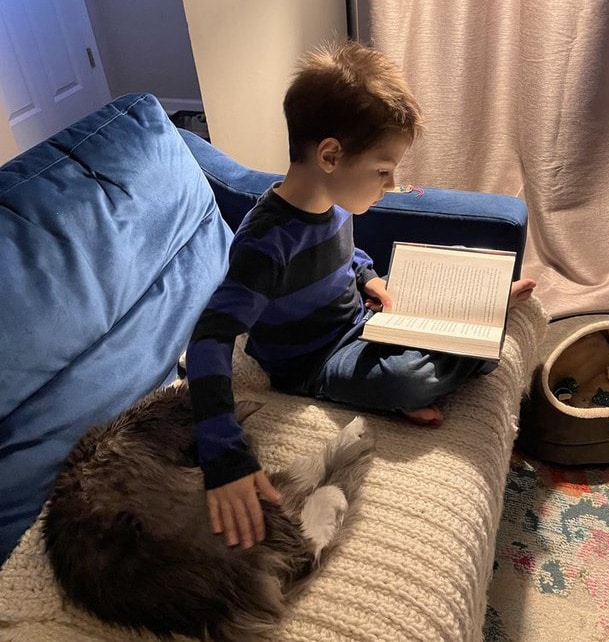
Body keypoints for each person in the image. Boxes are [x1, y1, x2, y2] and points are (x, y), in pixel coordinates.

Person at [185, 40, 536, 550]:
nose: (392, 184)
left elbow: (347, 253)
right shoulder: (265, 244)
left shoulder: (335, 201)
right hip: (311, 362)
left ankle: (467, 316)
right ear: (330, 155)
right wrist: (223, 456)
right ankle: (459, 342)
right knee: (407, 381)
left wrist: (369, 277)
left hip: (358, 321)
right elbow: (209, 339)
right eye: (383, 170)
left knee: (426, 304)